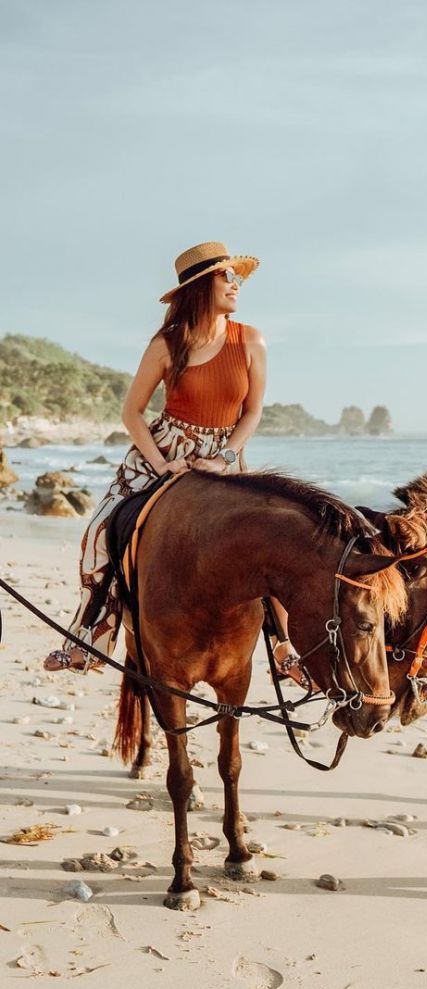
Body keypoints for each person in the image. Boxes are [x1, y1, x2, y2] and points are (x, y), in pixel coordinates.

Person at [42, 241, 301, 676]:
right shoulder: (167, 344)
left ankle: (283, 646)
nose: (236, 285)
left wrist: (223, 458)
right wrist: (162, 466)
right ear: (202, 286)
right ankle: (86, 636)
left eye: (236, 277)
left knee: (268, 537)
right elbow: (132, 413)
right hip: (161, 453)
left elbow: (253, 411)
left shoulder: (251, 341)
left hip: (225, 459)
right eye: (227, 276)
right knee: (99, 530)